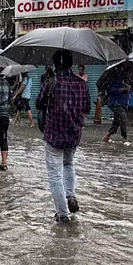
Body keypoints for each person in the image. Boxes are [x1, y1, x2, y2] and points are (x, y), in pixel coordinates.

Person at [36, 50, 91, 224]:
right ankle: (71, 195)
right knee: (68, 164)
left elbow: (38, 103)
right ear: (70, 63)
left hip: (54, 135)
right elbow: (88, 108)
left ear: (55, 64)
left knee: (54, 175)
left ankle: (63, 214)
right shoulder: (81, 83)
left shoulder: (51, 82)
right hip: (74, 134)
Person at [102, 78, 131, 146]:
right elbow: (111, 91)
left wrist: (128, 88)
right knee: (123, 119)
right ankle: (124, 137)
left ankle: (107, 136)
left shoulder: (126, 80)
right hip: (115, 103)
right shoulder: (114, 79)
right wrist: (123, 89)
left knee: (117, 120)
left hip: (123, 104)